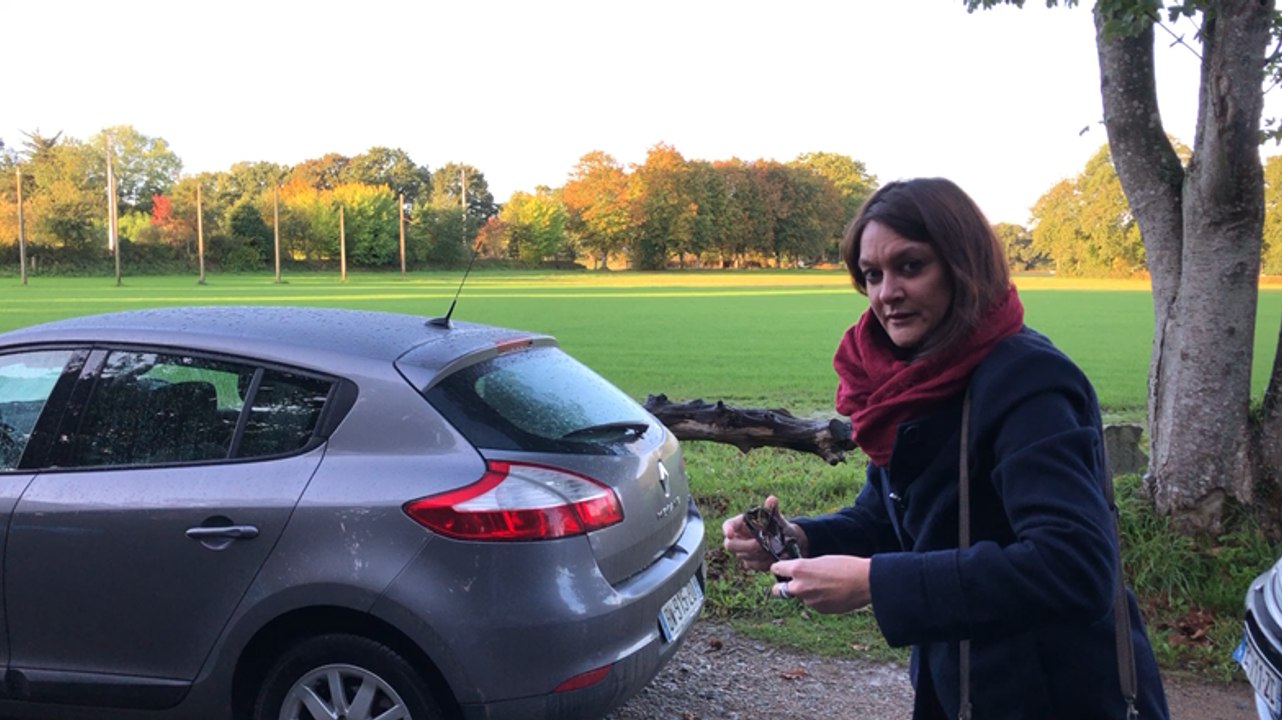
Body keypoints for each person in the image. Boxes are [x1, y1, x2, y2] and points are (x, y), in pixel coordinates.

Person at [722, 178, 1169, 719]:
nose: (887, 293)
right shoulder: (908, 381)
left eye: (911, 267)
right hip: (959, 685)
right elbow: (893, 516)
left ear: (964, 266)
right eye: (872, 274)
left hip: (1055, 693)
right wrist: (802, 536)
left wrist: (876, 584)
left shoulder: (1029, 381)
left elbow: (1074, 566)